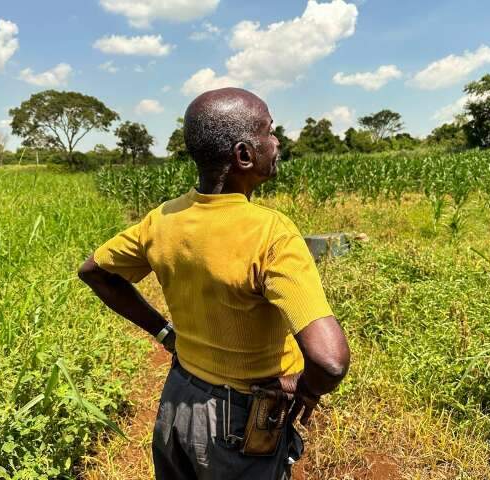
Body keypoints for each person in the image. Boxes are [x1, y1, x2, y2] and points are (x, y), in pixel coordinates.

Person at [78, 88, 351, 479]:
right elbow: (330, 360)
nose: (277, 142)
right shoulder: (271, 233)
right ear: (243, 155)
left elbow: (94, 272)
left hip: (178, 399)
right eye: (269, 132)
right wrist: (306, 387)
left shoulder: (163, 219)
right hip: (240, 419)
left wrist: (163, 331)